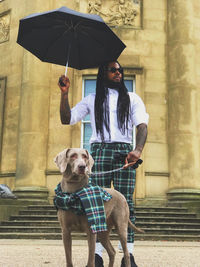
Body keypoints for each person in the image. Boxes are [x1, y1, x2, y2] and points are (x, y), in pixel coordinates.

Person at [58, 61, 149, 267]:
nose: (118, 73)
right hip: (99, 151)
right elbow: (67, 118)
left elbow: (142, 126)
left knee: (127, 203)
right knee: (95, 204)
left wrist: (137, 150)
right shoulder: (92, 99)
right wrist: (64, 93)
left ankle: (129, 256)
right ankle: (98, 254)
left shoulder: (132, 98)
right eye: (113, 70)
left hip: (125, 153)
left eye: (120, 71)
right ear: (103, 74)